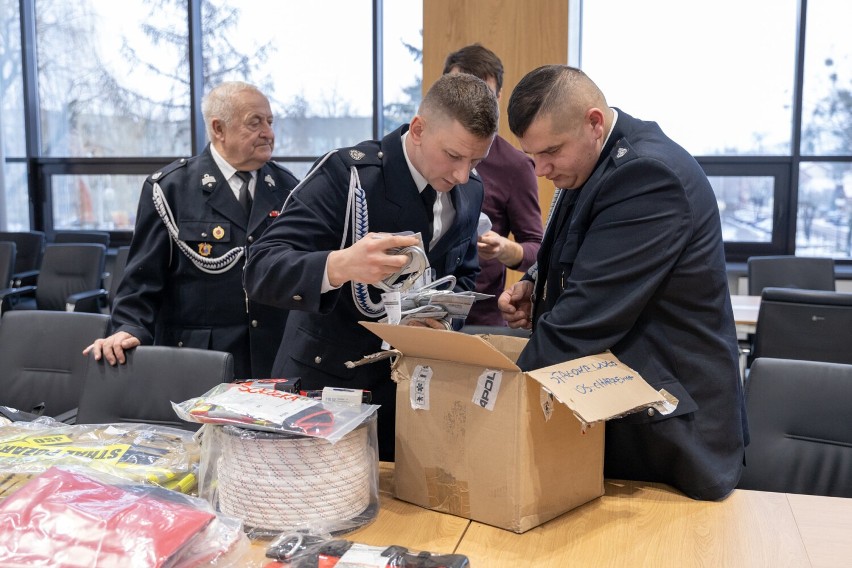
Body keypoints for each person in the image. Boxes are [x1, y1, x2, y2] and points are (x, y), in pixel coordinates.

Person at [498, 65, 748, 501]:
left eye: (551, 151)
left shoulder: (647, 176)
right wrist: (537, 290)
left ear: (594, 123)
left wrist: (496, 398)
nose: (540, 169)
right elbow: (585, 253)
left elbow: (588, 316)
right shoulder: (592, 163)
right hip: (623, 418)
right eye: (531, 156)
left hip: (671, 437)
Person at [244, 73, 499, 461]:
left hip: (411, 392)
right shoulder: (346, 176)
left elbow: (462, 273)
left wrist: (440, 322)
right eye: (453, 156)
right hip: (327, 388)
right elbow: (260, 268)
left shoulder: (470, 190)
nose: (462, 174)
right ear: (418, 129)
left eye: (476, 160)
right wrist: (339, 264)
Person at [84, 81, 299, 381]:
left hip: (272, 358)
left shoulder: (288, 188)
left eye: (270, 122)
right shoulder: (171, 189)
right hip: (201, 362)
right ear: (219, 129)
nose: (269, 133)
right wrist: (128, 328)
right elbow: (142, 280)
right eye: (255, 122)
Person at [442, 44, 543, 326]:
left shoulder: (515, 165)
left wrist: (503, 249)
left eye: (481, 95)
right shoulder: (419, 150)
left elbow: (537, 248)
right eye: (459, 94)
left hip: (478, 318)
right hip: (409, 311)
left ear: (498, 97)